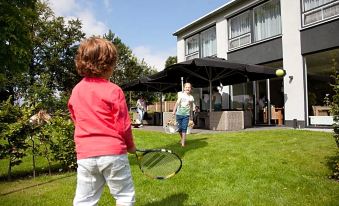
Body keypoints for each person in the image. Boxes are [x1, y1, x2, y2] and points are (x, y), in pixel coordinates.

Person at [68, 37, 136, 206]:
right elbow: (123, 125)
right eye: (113, 63)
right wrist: (130, 145)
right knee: (124, 196)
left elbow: (76, 118)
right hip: (113, 153)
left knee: (85, 200)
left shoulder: (76, 90)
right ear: (108, 65)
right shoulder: (114, 90)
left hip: (85, 155)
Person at [172, 83, 195, 147]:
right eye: (186, 87)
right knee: (179, 129)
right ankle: (182, 139)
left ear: (190, 89)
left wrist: (191, 115)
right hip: (178, 114)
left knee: (184, 128)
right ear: (184, 88)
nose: (188, 88)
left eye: (189, 87)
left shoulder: (191, 97)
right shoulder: (181, 95)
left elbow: (191, 106)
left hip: (186, 115)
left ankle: (183, 144)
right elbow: (177, 103)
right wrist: (174, 111)